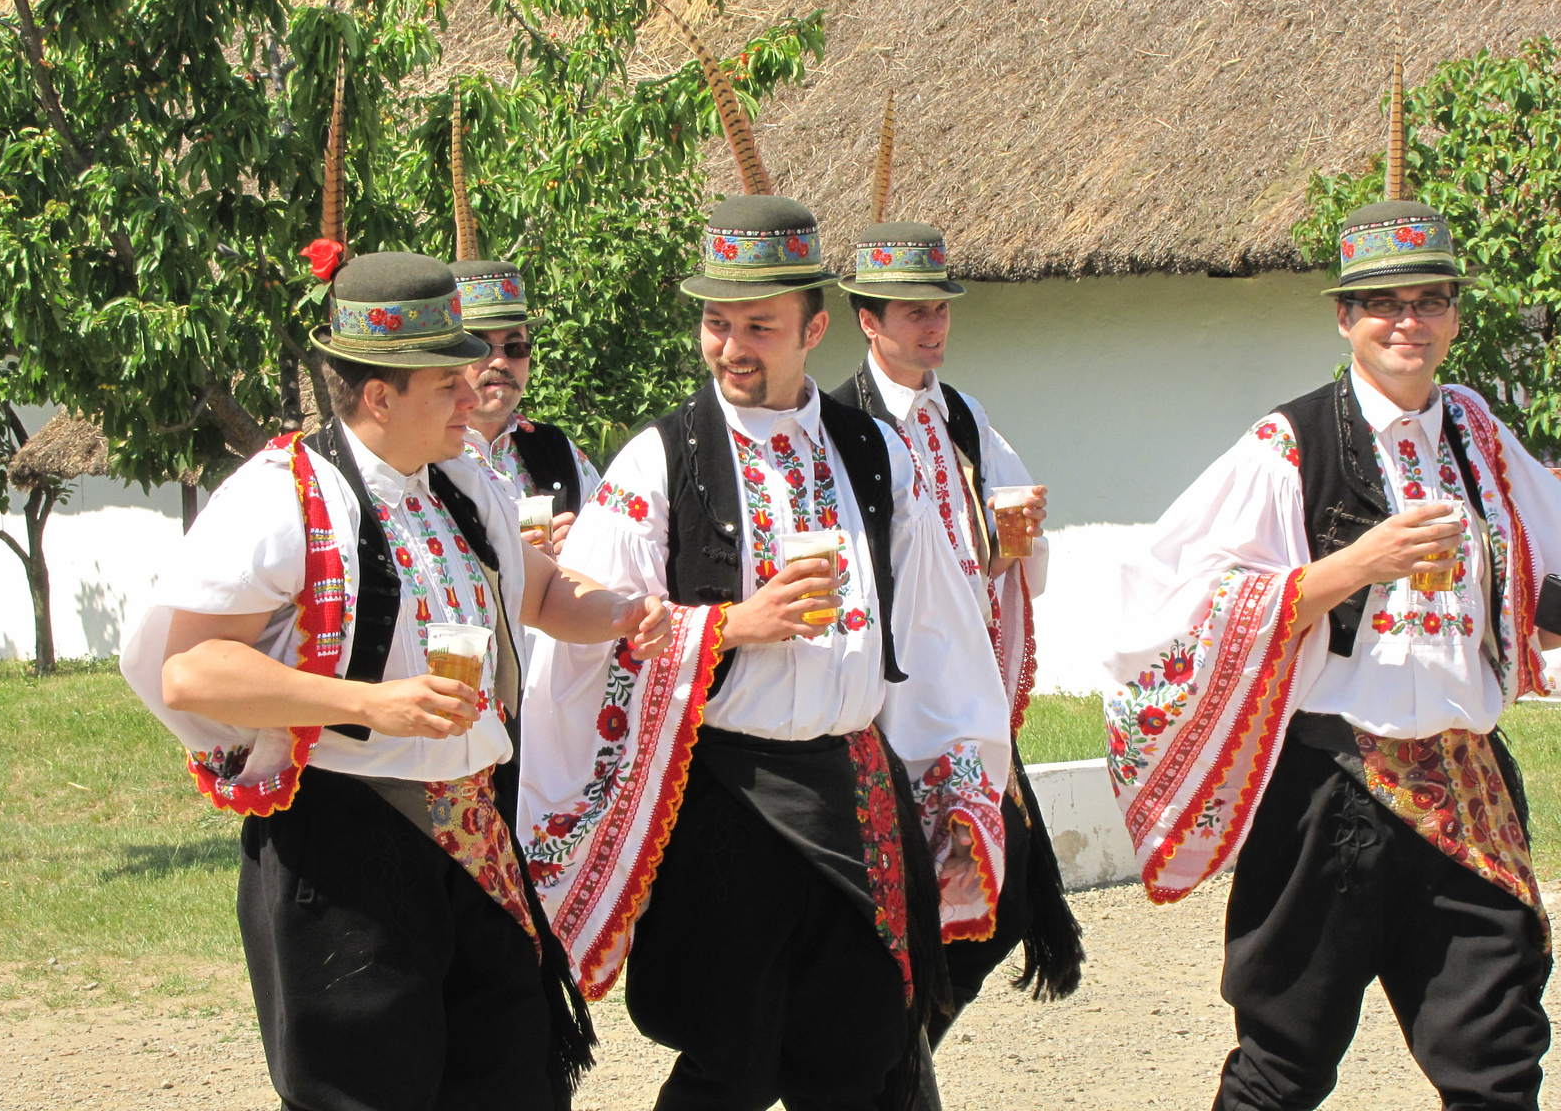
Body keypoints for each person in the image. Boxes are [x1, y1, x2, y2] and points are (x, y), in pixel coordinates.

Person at [120, 89, 670, 1111]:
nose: (479, 395)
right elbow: (190, 667)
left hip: (475, 835)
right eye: (450, 382)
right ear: (377, 394)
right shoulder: (283, 498)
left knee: (515, 1088)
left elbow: (535, 590)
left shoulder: (468, 486)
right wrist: (370, 705)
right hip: (345, 847)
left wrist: (624, 614)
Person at [517, 193, 1012, 1111]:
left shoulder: (876, 452)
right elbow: (584, 638)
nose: (731, 346)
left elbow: (938, 632)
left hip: (854, 789)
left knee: (862, 1054)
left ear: (815, 327)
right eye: (715, 322)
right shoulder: (659, 462)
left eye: (758, 326)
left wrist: (954, 787)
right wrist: (727, 627)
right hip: (724, 803)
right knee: (727, 1065)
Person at [1103, 192, 1560, 1111]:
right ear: (1345, 317)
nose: (1409, 321)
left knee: (1500, 1064)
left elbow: (1549, 570)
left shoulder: (1477, 434)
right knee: (1284, 1063)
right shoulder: (1288, 446)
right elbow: (1174, 606)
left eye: (1430, 300)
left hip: (1465, 790)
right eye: (1385, 303)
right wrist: (1356, 565)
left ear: (1455, 314)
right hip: (1331, 791)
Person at [828, 220, 1083, 1044]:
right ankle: (891, 1053)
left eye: (939, 308)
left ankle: (911, 1045)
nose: (932, 326)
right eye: (911, 312)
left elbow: (1007, 550)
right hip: (893, 695)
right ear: (868, 322)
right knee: (906, 903)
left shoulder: (966, 419)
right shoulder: (840, 425)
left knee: (1005, 896)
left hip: (964, 686)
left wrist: (1014, 544)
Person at [444, 89, 600, 555]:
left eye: (514, 347)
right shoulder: (424, 454)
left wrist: (584, 545)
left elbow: (616, 562)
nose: (499, 361)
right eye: (480, 345)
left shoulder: (557, 450)